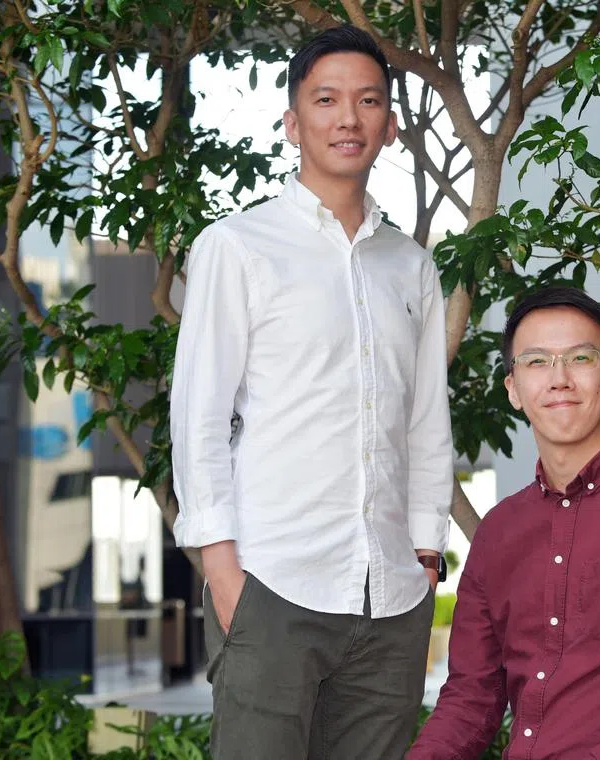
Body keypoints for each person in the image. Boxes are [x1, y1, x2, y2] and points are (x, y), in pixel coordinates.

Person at [169, 25, 454, 760]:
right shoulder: (237, 247)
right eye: (326, 100)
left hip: (391, 595)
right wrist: (223, 571)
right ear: (294, 122)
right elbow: (198, 414)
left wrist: (425, 551)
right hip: (273, 582)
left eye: (367, 101)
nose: (347, 118)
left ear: (389, 126)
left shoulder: (411, 265)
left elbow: (424, 419)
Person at [409, 287, 600, 760]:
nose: (559, 379)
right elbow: (472, 697)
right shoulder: (499, 532)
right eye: (536, 362)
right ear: (513, 389)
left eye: (580, 358)